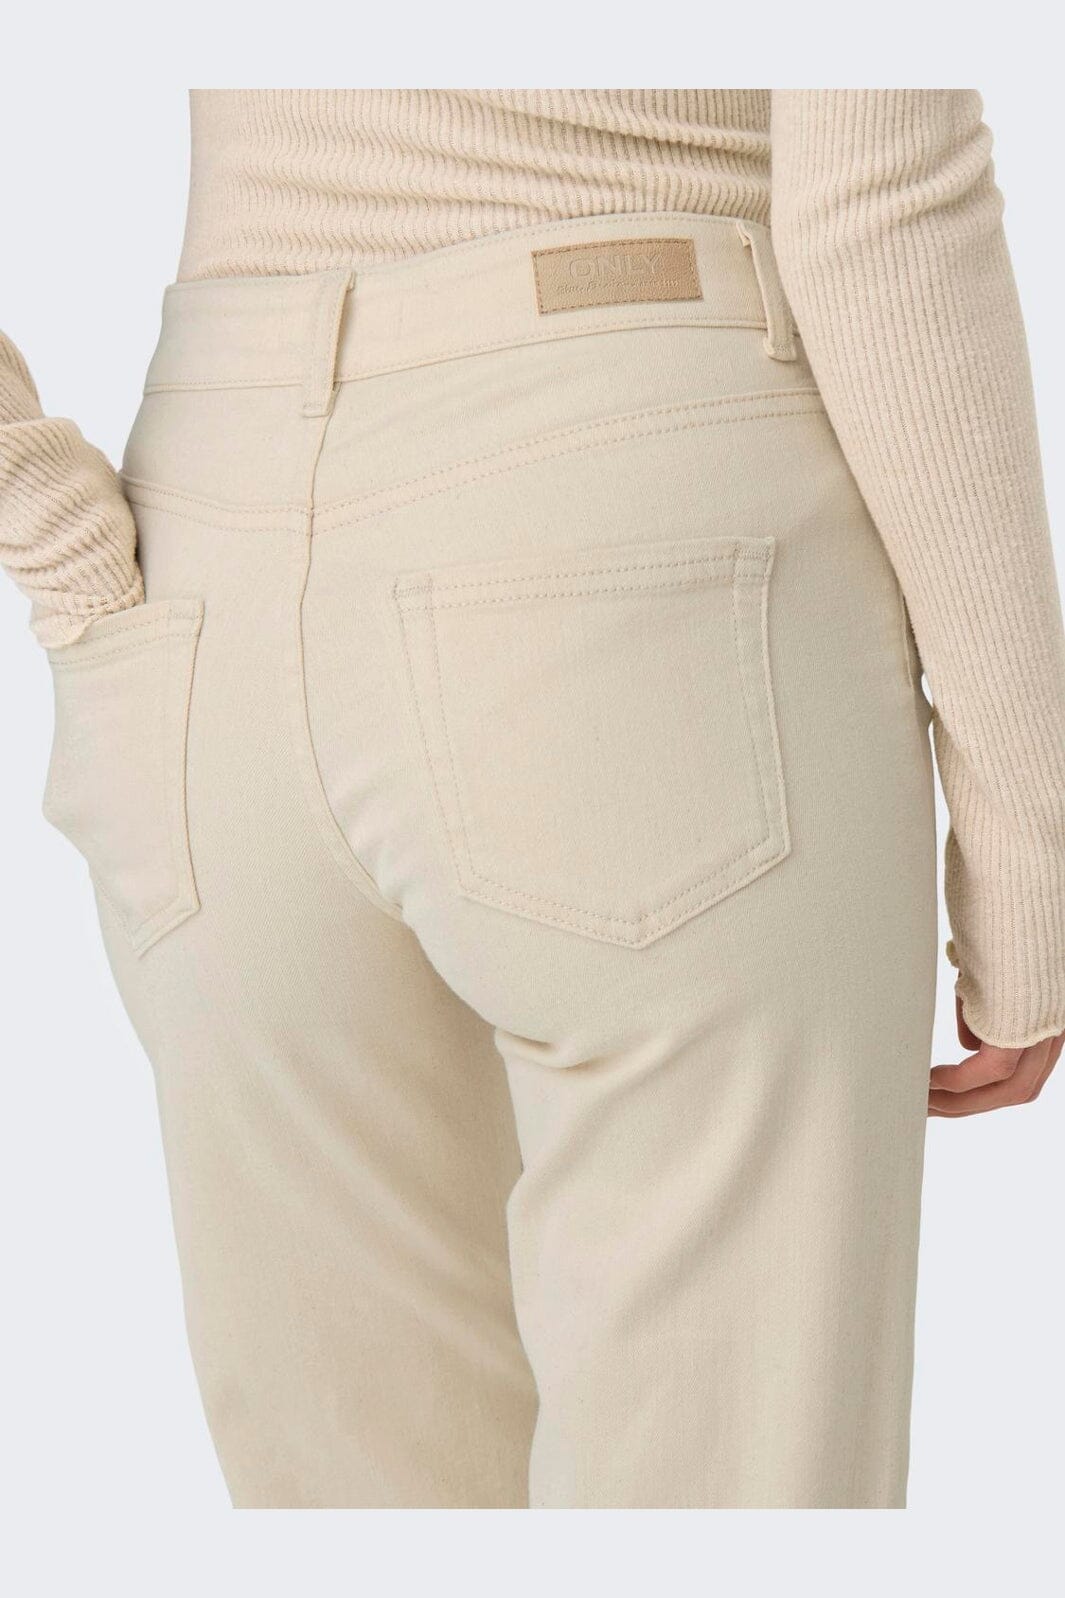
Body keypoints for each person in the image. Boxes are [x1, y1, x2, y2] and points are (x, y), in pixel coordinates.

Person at [1, 90, 1062, 1509]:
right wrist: (1027, 837)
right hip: (646, 524)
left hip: (200, 563)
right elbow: (879, 206)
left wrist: (48, 526)